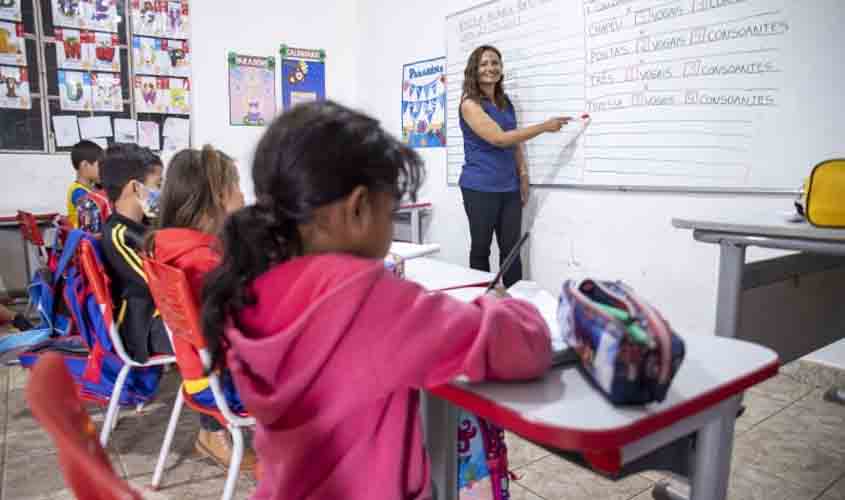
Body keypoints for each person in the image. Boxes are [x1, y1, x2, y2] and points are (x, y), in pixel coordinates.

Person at [202, 100, 552, 500]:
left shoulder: (251, 285)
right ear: (358, 208)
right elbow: (522, 346)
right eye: (392, 210)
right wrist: (503, 305)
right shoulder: (369, 301)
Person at [147, 145, 256, 471]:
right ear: (217, 197)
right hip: (224, 384)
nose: (242, 193)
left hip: (196, 376)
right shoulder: (202, 262)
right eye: (236, 184)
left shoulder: (168, 246)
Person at [459, 45, 570, 287]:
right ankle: (482, 302)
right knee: (481, 249)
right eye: (484, 64)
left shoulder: (505, 102)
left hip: (508, 187)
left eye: (495, 63)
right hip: (479, 188)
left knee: (511, 250)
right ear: (474, 71)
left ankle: (514, 305)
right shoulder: (469, 104)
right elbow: (500, 139)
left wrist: (523, 175)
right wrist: (544, 127)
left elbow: (515, 141)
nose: (491, 68)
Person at [99, 143, 170, 362]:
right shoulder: (118, 234)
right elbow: (157, 285)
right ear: (135, 187)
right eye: (158, 184)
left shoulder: (147, 225)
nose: (162, 192)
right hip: (145, 327)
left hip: (161, 317)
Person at [66, 140, 104, 228]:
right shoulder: (79, 192)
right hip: (85, 238)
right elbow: (92, 223)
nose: (103, 170)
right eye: (100, 166)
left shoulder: (90, 188)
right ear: (85, 165)